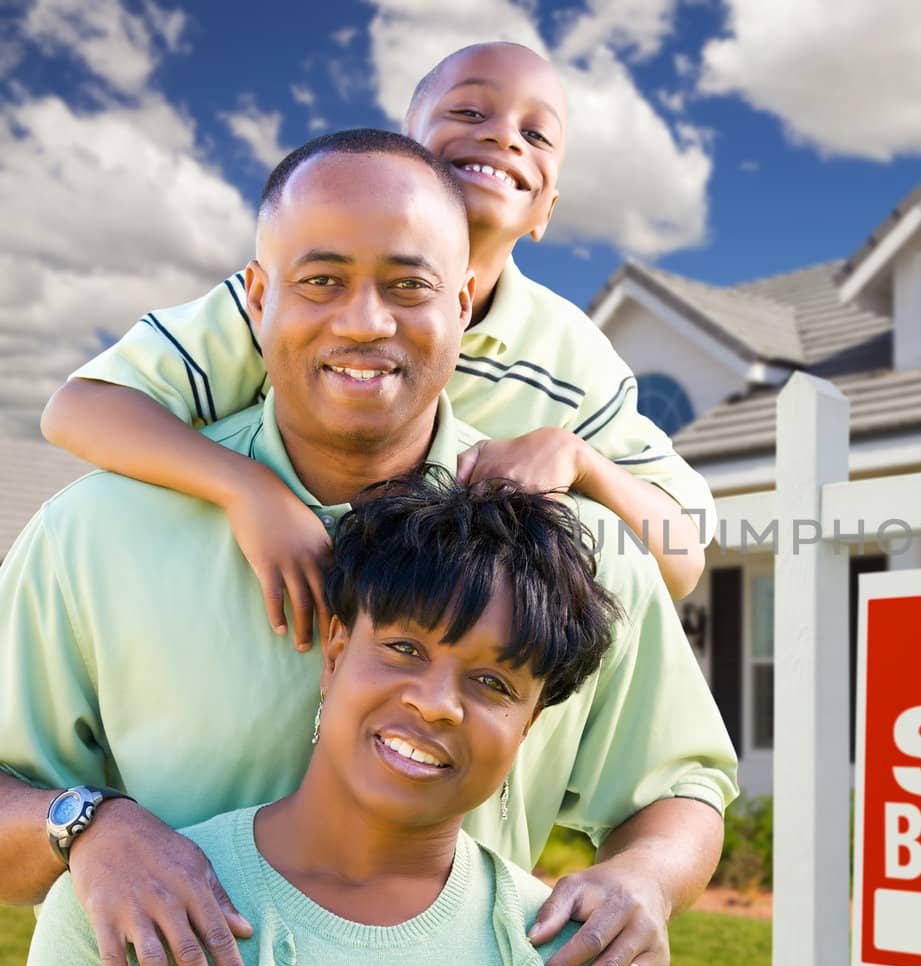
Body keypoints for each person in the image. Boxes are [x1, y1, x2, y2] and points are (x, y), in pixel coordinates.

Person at [0, 130, 735, 966]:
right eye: (320, 281)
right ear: (258, 298)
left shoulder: (574, 554)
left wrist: (645, 881)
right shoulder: (96, 535)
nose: (364, 322)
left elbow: (683, 782)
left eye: (408, 284)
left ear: (463, 304)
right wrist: (88, 827)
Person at [41, 41, 709, 648]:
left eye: (536, 133)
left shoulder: (572, 358)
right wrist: (247, 490)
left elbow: (681, 558)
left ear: (547, 213)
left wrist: (580, 460)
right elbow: (80, 408)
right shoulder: (289, 303)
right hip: (243, 625)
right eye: (471, 110)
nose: (504, 136)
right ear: (400, 154)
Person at [17, 471, 649, 966]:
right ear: (336, 654)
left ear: (528, 727)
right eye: (405, 648)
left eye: (492, 682)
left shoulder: (585, 960)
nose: (435, 704)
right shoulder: (125, 901)